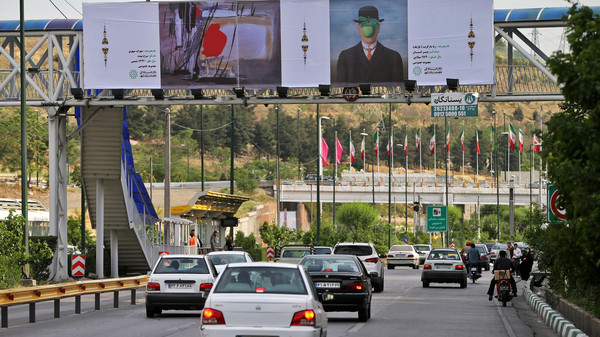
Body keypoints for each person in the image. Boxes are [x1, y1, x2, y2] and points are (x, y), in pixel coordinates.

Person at [336, 5, 404, 84]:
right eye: (364, 25)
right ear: (359, 28)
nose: (369, 29)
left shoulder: (393, 57)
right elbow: (341, 88)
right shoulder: (345, 56)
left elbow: (398, 89)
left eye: (372, 25)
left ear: (378, 27)